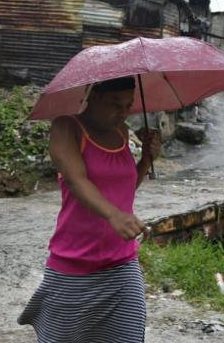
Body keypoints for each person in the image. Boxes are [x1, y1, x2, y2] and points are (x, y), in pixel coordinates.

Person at [18, 76, 162, 343]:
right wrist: (113, 215)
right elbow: (76, 180)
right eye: (114, 103)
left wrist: (146, 160)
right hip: (74, 265)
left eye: (128, 105)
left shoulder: (121, 131)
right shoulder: (67, 126)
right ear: (93, 96)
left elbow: (123, 188)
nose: (122, 111)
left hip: (121, 264)